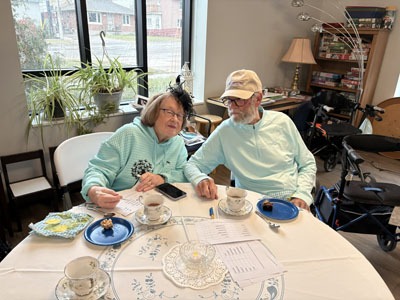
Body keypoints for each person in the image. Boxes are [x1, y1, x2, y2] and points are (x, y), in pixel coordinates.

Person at [184, 69, 316, 211]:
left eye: (239, 100)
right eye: (228, 100)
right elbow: (193, 165)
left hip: (290, 199)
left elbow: (307, 163)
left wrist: (302, 195)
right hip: (251, 204)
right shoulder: (225, 131)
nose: (232, 106)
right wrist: (201, 179)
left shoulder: (282, 122)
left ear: (258, 99)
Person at [81, 83, 193, 208]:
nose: (175, 119)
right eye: (170, 112)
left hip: (160, 207)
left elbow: (183, 173)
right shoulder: (128, 134)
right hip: (119, 205)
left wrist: (162, 178)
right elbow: (99, 169)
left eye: (180, 115)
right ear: (154, 111)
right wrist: (94, 189)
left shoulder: (178, 143)